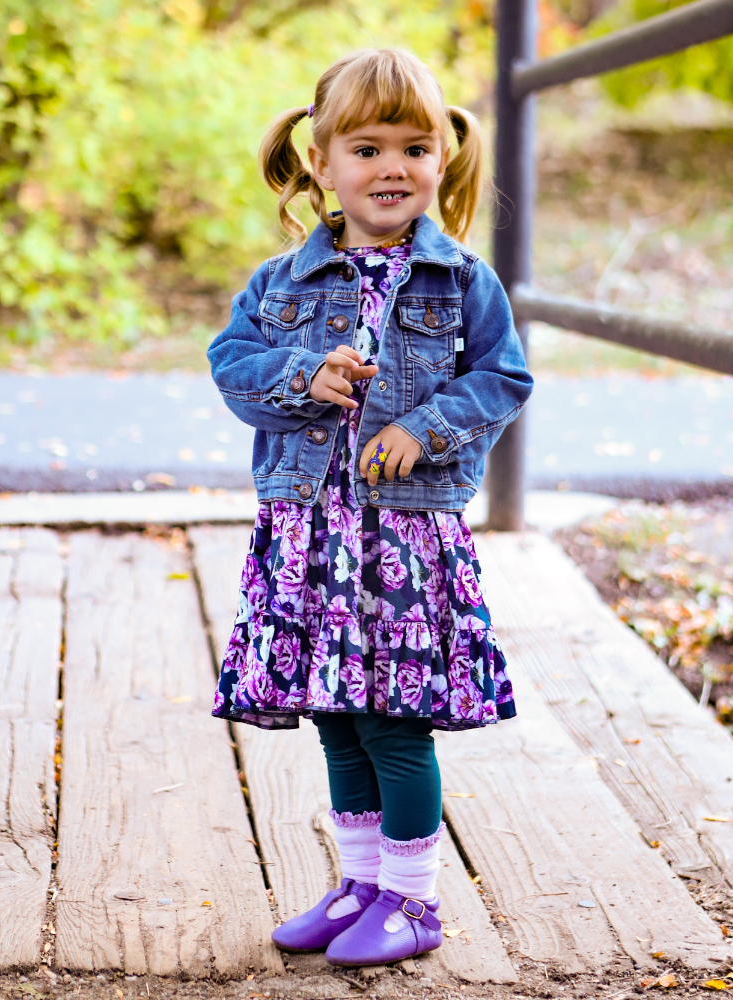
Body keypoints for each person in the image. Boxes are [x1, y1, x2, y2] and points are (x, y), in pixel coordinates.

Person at [207, 48, 533, 967]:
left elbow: (503, 376)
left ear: (443, 158)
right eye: (367, 148)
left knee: (393, 720)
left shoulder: (461, 279)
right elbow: (232, 366)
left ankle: (415, 901)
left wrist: (427, 427)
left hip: (402, 539)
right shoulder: (282, 282)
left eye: (415, 147)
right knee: (334, 714)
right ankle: (359, 886)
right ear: (323, 164)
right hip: (309, 534)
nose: (393, 167)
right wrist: (305, 377)